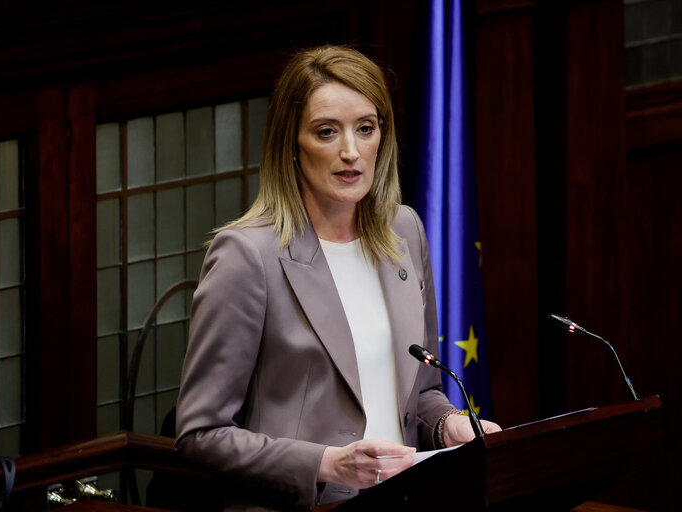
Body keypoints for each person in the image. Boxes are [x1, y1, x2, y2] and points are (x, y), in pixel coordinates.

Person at [175, 45, 500, 512]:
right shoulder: (247, 256)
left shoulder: (403, 229)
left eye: (365, 129)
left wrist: (447, 424)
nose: (350, 152)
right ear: (291, 141)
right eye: (327, 132)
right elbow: (200, 434)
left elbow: (419, 392)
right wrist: (326, 463)